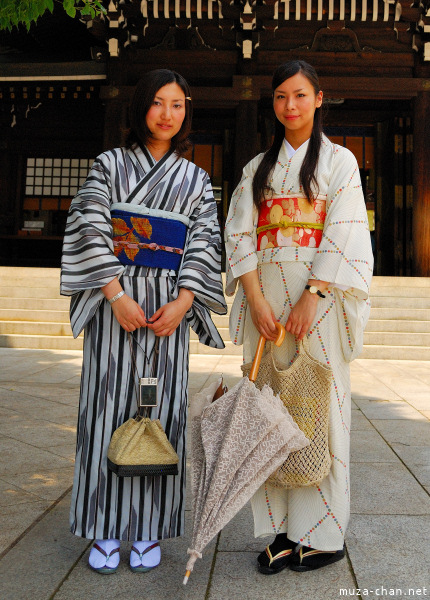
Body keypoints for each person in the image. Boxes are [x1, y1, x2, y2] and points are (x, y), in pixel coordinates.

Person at [61, 69, 227, 574]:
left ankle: (150, 526)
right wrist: (113, 293)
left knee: (161, 409)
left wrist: (184, 301)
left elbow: (204, 240)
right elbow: (89, 223)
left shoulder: (196, 179)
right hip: (118, 303)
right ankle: (105, 527)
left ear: (186, 111)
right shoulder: (109, 165)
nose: (167, 114)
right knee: (104, 406)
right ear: (140, 109)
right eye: (157, 103)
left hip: (167, 311)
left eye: (177, 105)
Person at [225, 60, 373, 574]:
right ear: (274, 103)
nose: (291, 105)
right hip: (266, 305)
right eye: (281, 96)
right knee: (269, 413)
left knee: (320, 409)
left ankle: (324, 532)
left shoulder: (339, 163)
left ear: (318, 98)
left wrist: (314, 292)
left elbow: (345, 229)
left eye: (300, 95)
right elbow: (240, 234)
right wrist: (256, 300)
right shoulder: (256, 168)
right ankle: (282, 529)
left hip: (319, 305)